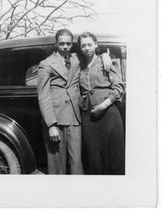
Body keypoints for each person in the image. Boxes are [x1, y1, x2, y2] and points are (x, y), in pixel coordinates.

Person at [37, 29, 111, 174]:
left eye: (68, 44)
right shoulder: (46, 64)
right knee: (57, 165)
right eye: (62, 43)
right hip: (56, 119)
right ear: (56, 44)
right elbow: (43, 96)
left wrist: (105, 55)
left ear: (72, 45)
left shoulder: (77, 58)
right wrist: (51, 124)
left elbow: (92, 55)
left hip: (75, 118)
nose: (65, 46)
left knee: (77, 162)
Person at [78, 31, 125, 175]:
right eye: (83, 45)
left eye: (89, 45)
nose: (87, 48)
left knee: (113, 157)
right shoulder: (79, 65)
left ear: (96, 45)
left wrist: (103, 106)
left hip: (108, 114)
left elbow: (119, 88)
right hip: (88, 116)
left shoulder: (105, 62)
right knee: (94, 158)